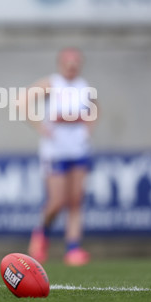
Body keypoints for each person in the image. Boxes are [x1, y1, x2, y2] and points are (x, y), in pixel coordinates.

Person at [25, 48, 99, 266]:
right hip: (55, 151)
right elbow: (22, 101)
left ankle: (73, 248)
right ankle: (41, 234)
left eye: (75, 62)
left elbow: (96, 110)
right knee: (57, 202)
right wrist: (39, 126)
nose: (72, 66)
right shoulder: (52, 84)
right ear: (60, 64)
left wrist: (88, 129)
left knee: (76, 200)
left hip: (79, 150)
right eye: (68, 62)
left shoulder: (85, 87)